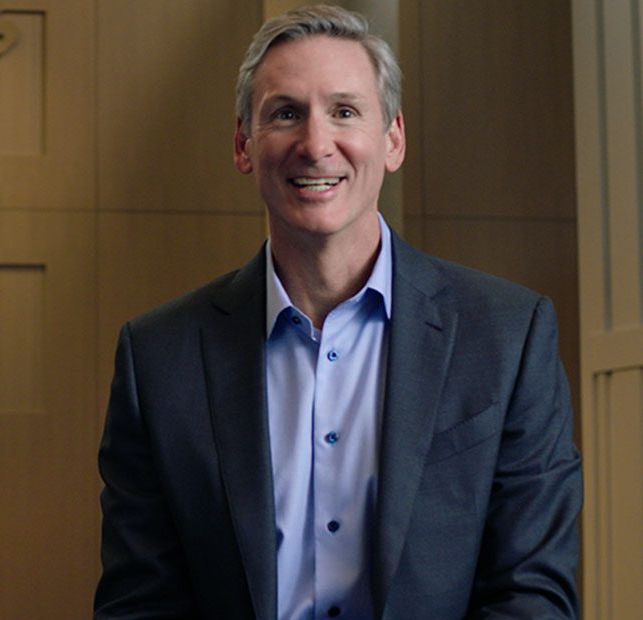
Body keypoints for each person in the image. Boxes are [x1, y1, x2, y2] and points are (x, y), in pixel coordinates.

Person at [95, 5, 581, 620]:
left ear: (393, 139)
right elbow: (141, 604)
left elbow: (532, 593)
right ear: (244, 144)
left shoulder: (508, 336)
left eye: (345, 112)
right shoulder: (157, 357)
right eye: (286, 114)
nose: (316, 144)